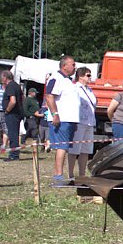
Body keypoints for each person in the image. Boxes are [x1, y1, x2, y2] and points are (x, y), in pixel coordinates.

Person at [45, 56, 79, 185]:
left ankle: (57, 176)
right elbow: (49, 96)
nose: (75, 67)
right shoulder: (56, 78)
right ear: (64, 66)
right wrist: (55, 114)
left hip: (69, 119)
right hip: (62, 119)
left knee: (64, 147)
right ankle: (58, 177)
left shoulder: (68, 81)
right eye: (73, 64)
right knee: (62, 147)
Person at [68, 67, 97, 178]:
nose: (90, 77)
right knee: (74, 150)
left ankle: (82, 174)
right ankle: (70, 174)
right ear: (80, 76)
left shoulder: (89, 90)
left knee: (86, 150)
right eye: (88, 75)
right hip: (79, 122)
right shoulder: (75, 88)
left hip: (90, 122)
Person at [1, 71, 23, 161]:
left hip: (12, 114)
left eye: (2, 77)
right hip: (17, 113)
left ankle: (14, 155)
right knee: (14, 134)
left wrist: (7, 110)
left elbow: (13, 101)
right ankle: (15, 153)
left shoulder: (10, 86)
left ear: (5, 77)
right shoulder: (17, 85)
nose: (1, 79)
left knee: (12, 134)